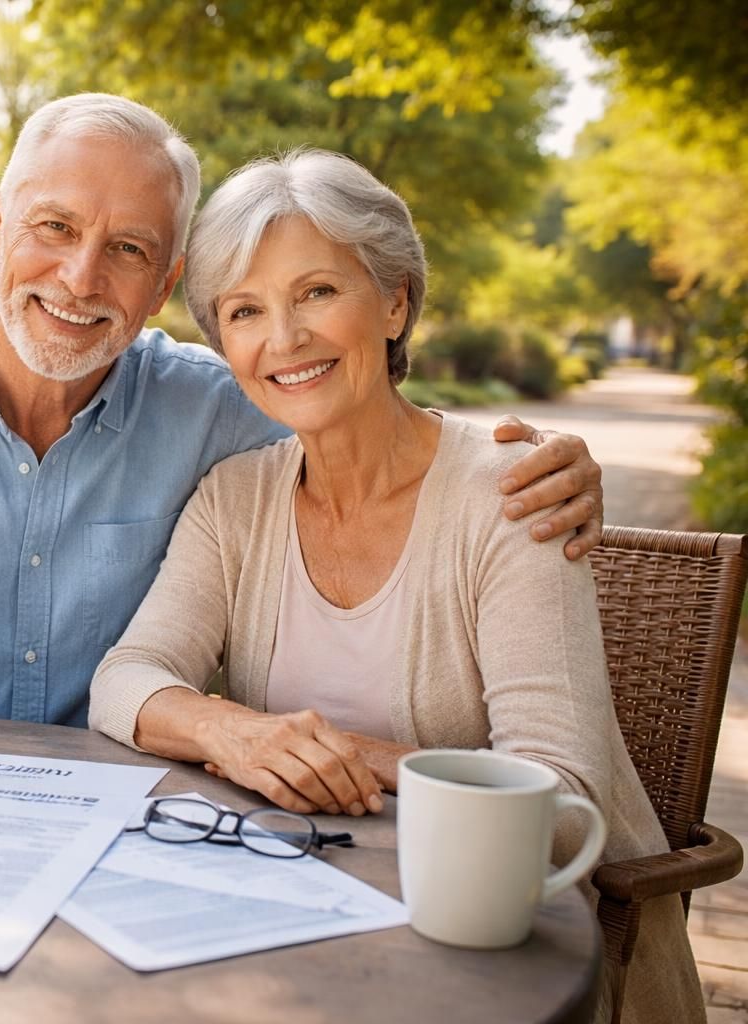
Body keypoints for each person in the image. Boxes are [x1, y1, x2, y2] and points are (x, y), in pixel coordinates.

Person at [0, 93, 603, 788]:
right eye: (52, 227)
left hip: (126, 838)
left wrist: (526, 456)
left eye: (129, 250)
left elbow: (350, 394)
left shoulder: (221, 412)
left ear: (164, 283)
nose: (78, 277)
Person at [87, 148, 700, 1024]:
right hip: (304, 923)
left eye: (318, 293)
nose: (285, 338)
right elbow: (126, 677)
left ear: (397, 301)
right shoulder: (236, 497)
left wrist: (354, 761)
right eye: (245, 311)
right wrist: (232, 732)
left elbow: (563, 803)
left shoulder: (514, 493)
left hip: (522, 958)